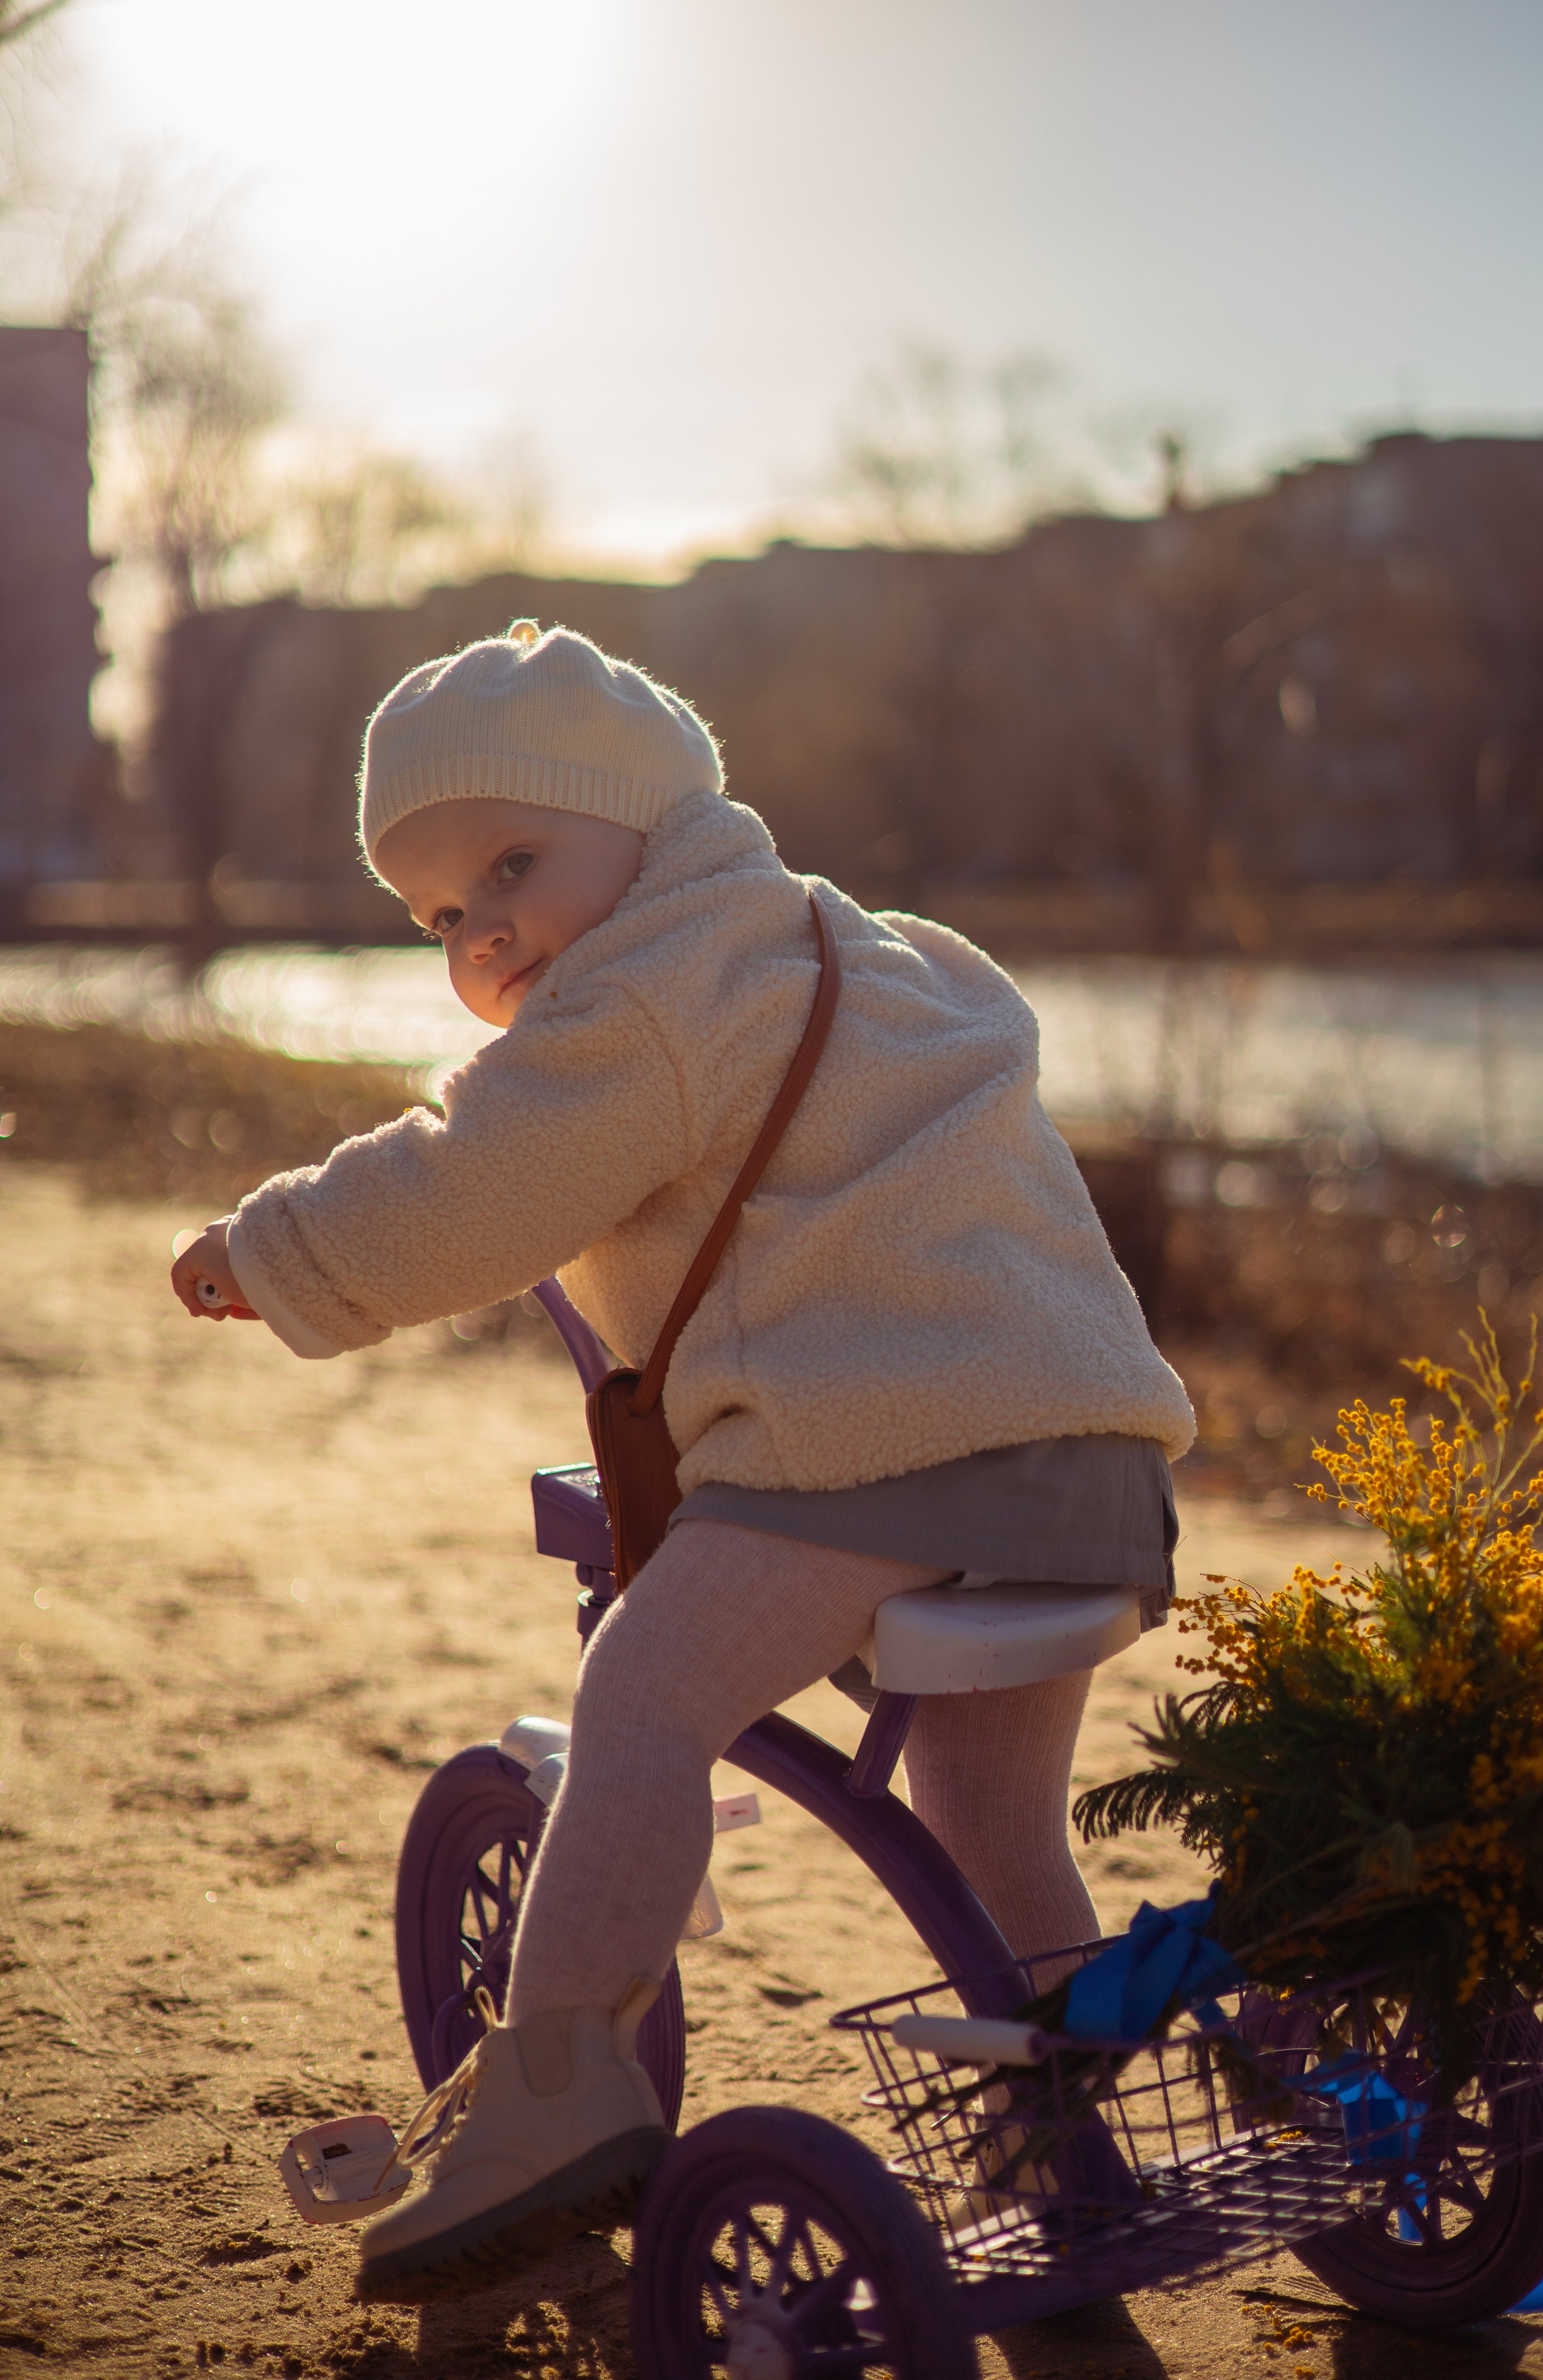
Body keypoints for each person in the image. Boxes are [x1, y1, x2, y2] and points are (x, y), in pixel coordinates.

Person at [171, 620, 1195, 2305]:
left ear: (651, 822)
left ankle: (556, 2093)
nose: (488, 931)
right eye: (441, 918)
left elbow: (466, 1188)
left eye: (514, 864)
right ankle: (1071, 2145)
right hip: (1092, 1471)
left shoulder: (652, 988)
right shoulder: (891, 951)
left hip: (890, 1459)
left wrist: (272, 1251)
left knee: (646, 1697)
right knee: (993, 1822)